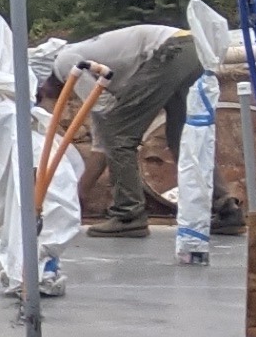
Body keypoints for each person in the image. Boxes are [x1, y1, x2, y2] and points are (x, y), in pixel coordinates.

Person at [49, 20, 200, 239]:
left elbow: (109, 118)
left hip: (168, 51)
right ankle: (223, 209)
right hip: (189, 48)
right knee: (182, 137)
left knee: (121, 135)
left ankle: (128, 215)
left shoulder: (65, 63)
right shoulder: (95, 69)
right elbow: (103, 141)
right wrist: (79, 195)